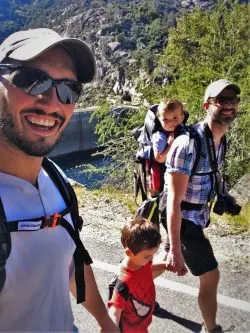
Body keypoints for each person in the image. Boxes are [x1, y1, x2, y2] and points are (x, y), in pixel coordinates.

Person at [0, 28, 119, 332]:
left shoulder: (57, 179)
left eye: (69, 89)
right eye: (31, 79)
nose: (52, 102)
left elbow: (69, 263)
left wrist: (105, 322)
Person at [164, 79, 241, 332]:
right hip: (183, 220)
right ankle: (212, 329)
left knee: (165, 259)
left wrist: (224, 196)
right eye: (222, 100)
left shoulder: (220, 140)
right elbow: (174, 201)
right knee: (211, 275)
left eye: (233, 100)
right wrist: (176, 248)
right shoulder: (188, 145)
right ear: (207, 105)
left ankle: (126, 281)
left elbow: (213, 174)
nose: (229, 105)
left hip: (196, 218)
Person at [108, 217, 170, 333]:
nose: (151, 258)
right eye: (148, 256)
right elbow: (114, 311)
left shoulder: (142, 261)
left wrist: (165, 265)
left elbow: (147, 270)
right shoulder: (123, 281)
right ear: (129, 253)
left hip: (140, 325)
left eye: (154, 254)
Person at [149, 98, 185, 196]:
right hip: (164, 174)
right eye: (165, 119)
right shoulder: (160, 137)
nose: (170, 122)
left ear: (182, 117)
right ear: (159, 120)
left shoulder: (183, 131)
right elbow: (159, 158)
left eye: (175, 118)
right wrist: (171, 145)